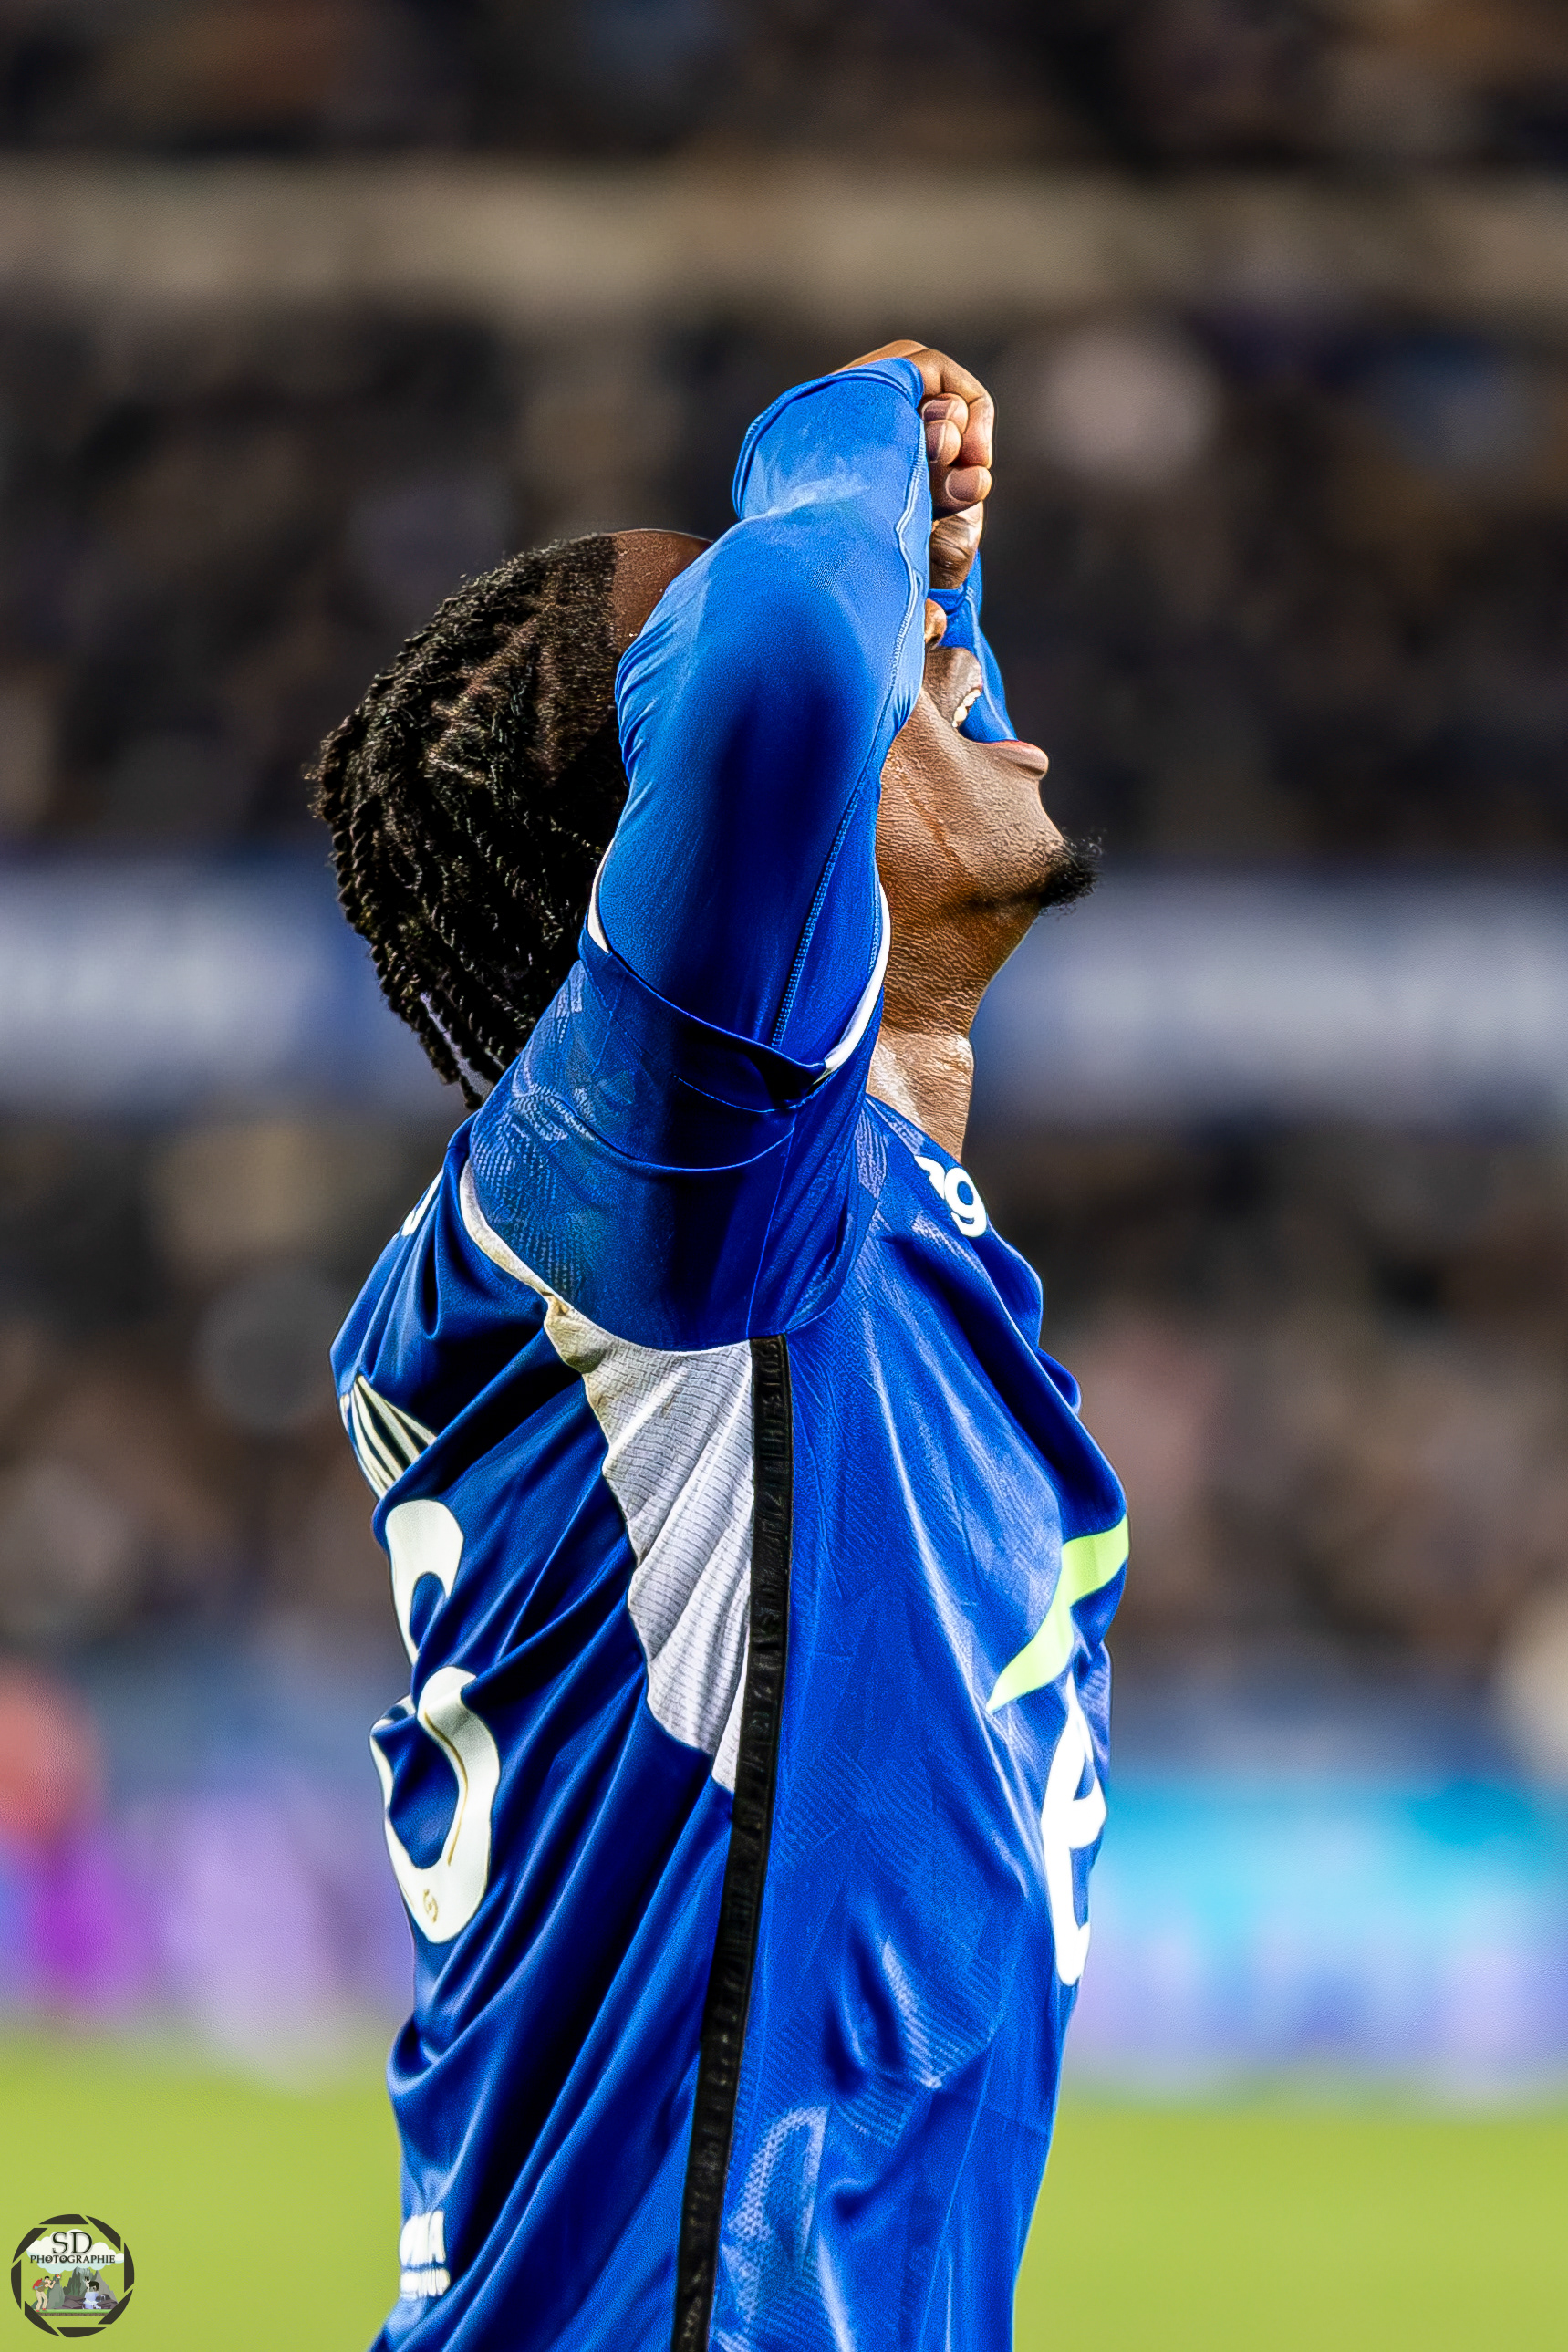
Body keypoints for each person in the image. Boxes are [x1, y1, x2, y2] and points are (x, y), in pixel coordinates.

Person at [315, 340, 1127, 2352]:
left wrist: (926, 582)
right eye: (905, 657)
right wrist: (843, 437)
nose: (942, 660)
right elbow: (775, 649)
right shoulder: (673, 1211)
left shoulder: (825, 1237)